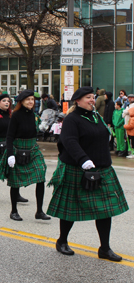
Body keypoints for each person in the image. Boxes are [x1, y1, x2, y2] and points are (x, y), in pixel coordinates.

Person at [47, 87, 128, 261]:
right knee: (71, 209)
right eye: (88, 98)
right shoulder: (72, 119)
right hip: (78, 169)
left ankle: (104, 249)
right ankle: (62, 241)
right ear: (78, 101)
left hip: (102, 169)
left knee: (105, 210)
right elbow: (69, 141)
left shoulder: (96, 116)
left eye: (93, 97)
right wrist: (83, 159)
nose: (92, 100)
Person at [6, 89, 50, 221]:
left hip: (32, 149)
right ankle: (14, 211)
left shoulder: (34, 115)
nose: (31, 102)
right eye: (28, 99)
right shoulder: (16, 115)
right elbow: (9, 136)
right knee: (15, 181)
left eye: (33, 99)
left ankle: (39, 211)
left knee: (41, 175)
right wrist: (10, 154)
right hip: (18, 148)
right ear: (22, 101)